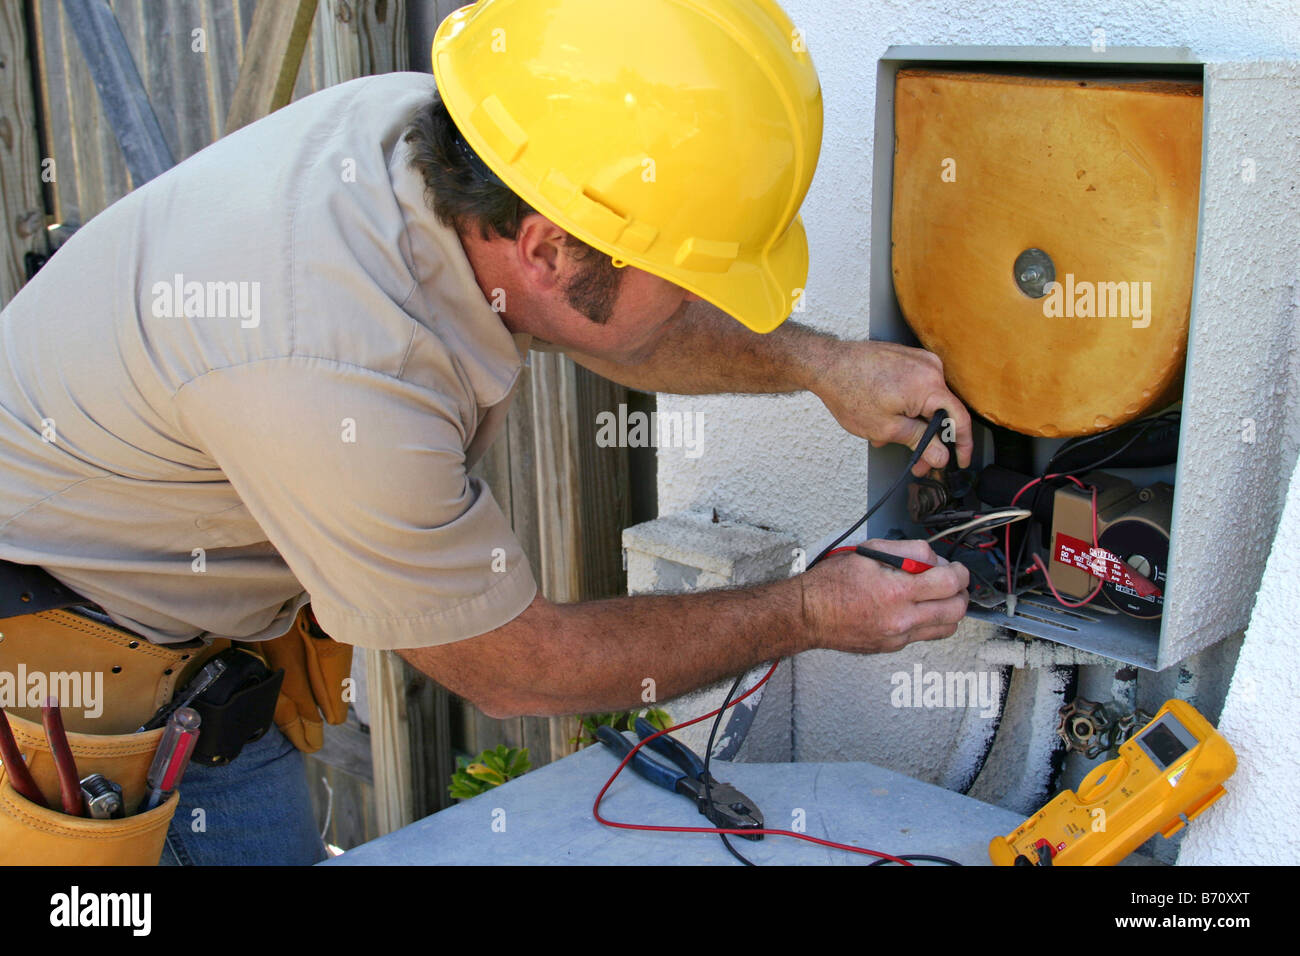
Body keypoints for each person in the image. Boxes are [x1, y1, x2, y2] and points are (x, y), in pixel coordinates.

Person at [0, 0, 969, 864]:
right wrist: (808, 613)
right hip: (60, 714)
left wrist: (822, 364)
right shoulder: (333, 366)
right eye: (690, 273)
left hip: (209, 682)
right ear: (548, 244)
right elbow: (511, 666)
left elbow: (603, 318)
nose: (707, 299)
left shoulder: (454, 135)